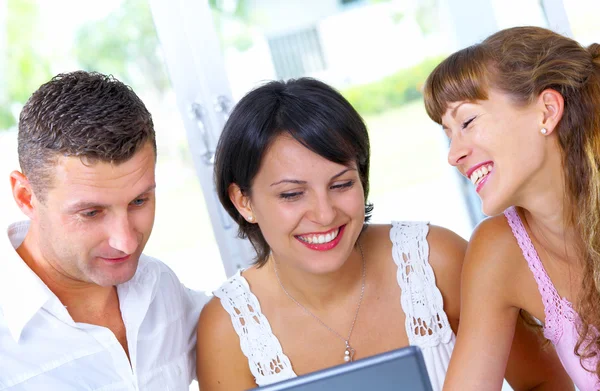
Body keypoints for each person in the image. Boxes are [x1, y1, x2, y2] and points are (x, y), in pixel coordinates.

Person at [196, 77, 573, 391]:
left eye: (341, 184)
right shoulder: (228, 329)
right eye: (292, 194)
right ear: (243, 200)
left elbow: (546, 383)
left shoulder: (436, 261)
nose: (325, 214)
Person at [0, 71, 208, 390]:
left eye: (139, 200)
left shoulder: (160, 288)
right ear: (26, 197)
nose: (125, 242)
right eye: (91, 212)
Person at [423, 26, 600, 390]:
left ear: (547, 111)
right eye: (448, 134)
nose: (454, 155)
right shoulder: (500, 248)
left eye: (468, 122)